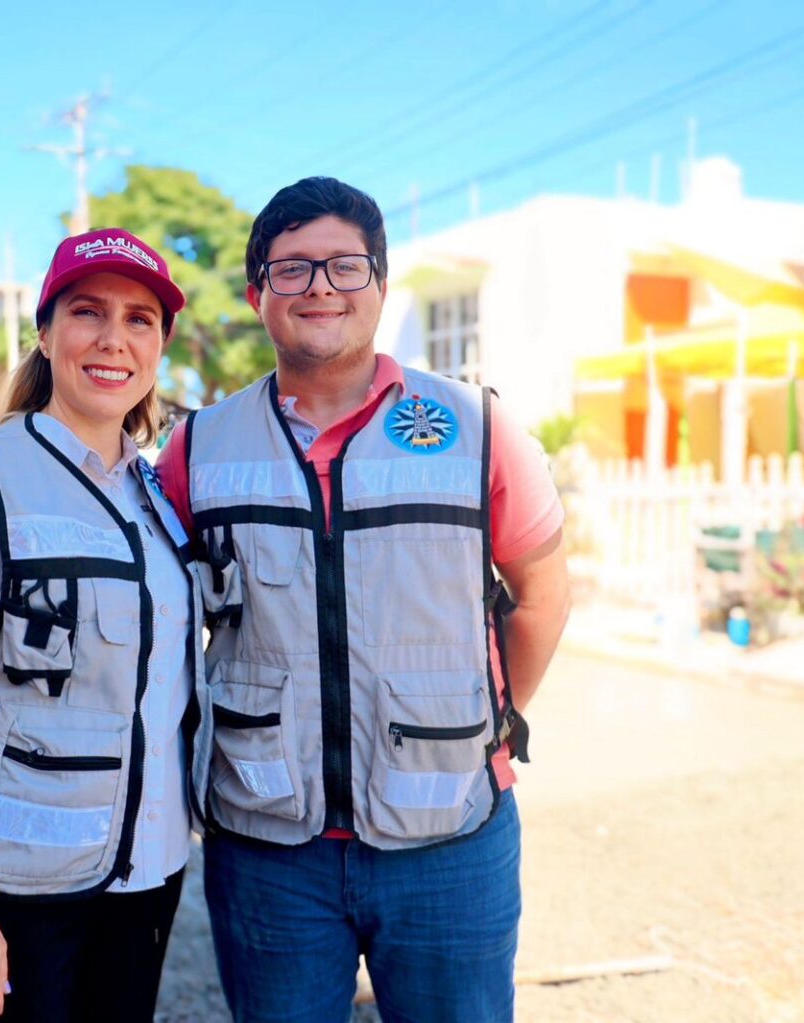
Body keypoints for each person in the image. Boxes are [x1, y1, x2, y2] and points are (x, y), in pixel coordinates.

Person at [155, 177, 572, 1022]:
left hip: (450, 841)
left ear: (380, 283)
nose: (320, 288)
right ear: (256, 293)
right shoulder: (196, 450)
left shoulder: (478, 429)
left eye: (345, 266)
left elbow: (541, 599)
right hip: (268, 847)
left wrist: (484, 725)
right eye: (292, 268)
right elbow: (157, 624)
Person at [0, 228, 202, 1022]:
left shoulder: (154, 496)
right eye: (87, 311)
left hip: (147, 875)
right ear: (45, 331)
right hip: (16, 887)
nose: (113, 338)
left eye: (139, 319)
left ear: (160, 345)